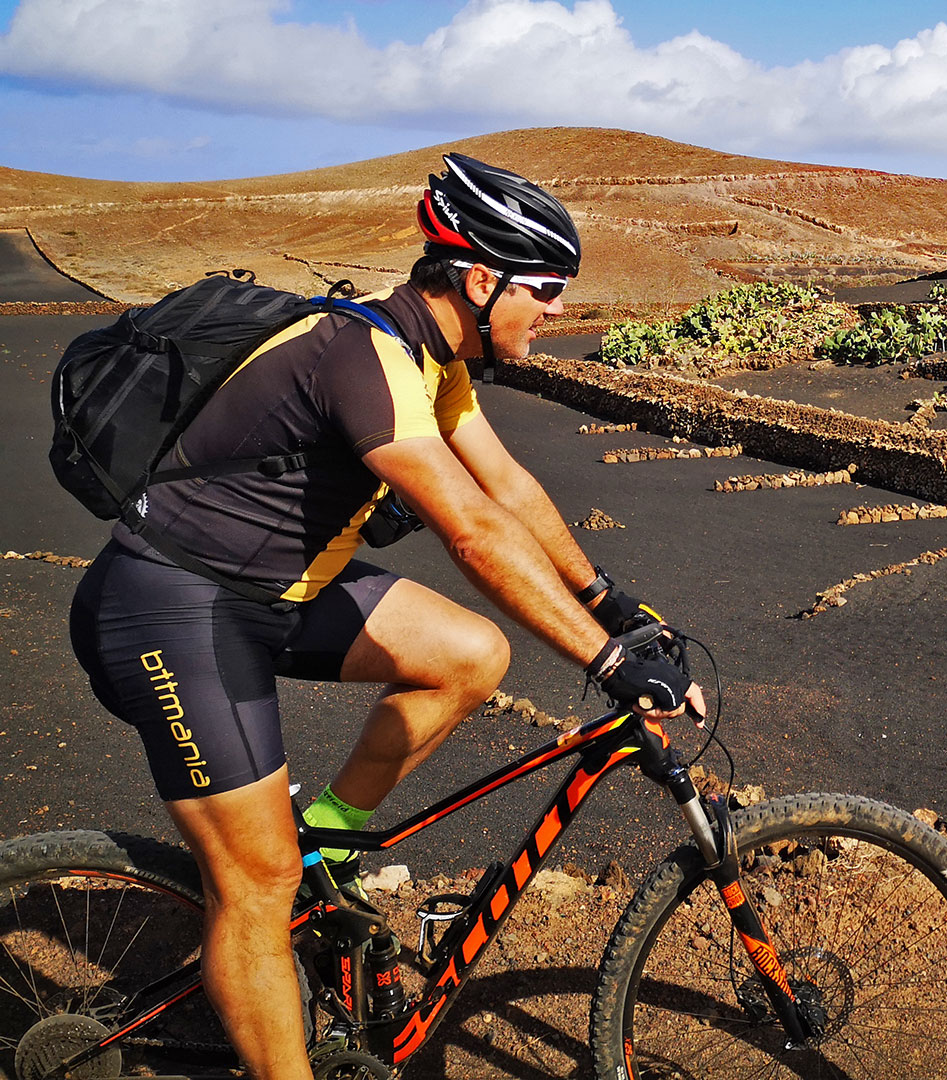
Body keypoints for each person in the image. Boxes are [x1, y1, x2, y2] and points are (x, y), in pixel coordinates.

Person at [67, 153, 700, 1080]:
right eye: (548, 288)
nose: (560, 308)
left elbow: (509, 487)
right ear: (481, 281)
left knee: (468, 654)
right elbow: (474, 532)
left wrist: (606, 600)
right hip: (171, 608)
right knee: (257, 883)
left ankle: (330, 836)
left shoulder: (431, 361)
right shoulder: (359, 354)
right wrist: (606, 662)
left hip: (270, 595)